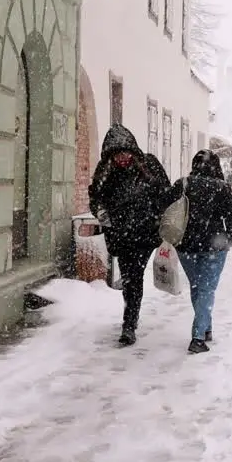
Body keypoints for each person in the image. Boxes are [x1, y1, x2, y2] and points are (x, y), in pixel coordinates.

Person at [88, 125, 171, 346]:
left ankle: (129, 323)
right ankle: (130, 320)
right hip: (121, 236)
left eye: (125, 153)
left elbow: (165, 192)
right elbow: (95, 196)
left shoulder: (149, 165)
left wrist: (159, 215)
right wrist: (102, 212)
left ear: (133, 151)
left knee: (134, 277)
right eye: (116, 154)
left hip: (145, 234)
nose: (121, 158)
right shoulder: (105, 171)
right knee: (130, 278)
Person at [164, 150, 232, 353]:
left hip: (186, 245)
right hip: (214, 246)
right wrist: (231, 238)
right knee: (206, 288)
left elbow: (166, 208)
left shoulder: (183, 184)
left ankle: (206, 327)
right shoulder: (222, 188)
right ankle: (198, 337)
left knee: (198, 287)